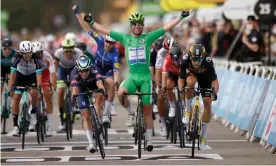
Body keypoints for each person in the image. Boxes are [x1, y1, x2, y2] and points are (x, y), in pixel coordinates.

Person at [72, 4, 192, 151]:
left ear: (142, 25)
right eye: (134, 24)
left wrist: (181, 16)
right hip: (133, 77)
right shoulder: (125, 37)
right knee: (121, 93)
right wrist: (91, 22)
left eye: (139, 24)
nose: (137, 26)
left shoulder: (148, 37)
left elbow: (166, 28)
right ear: (131, 25)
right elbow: (104, 30)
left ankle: (148, 140)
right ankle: (131, 113)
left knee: (147, 110)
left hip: (146, 78)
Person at [74, 12, 120, 117]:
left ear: (114, 44)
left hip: (108, 70)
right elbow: (87, 29)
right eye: (107, 42)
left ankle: (110, 104)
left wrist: (116, 81)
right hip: (98, 68)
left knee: (111, 83)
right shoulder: (99, 40)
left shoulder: (115, 52)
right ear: (104, 40)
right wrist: (78, 14)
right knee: (97, 90)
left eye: (111, 43)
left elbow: (116, 69)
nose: (108, 45)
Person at [178, 44, 219, 149]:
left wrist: (214, 93)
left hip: (205, 78)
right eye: (194, 59)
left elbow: (214, 82)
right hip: (192, 75)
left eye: (199, 59)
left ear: (203, 56)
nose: (196, 62)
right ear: (190, 56)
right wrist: (181, 89)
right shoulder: (184, 60)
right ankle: (187, 112)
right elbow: (181, 79)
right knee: (190, 83)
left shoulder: (208, 61)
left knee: (207, 103)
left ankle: (203, 138)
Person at [71, 55, 114, 153]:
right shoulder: (74, 72)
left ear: (89, 68)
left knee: (99, 96)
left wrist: (102, 90)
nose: (84, 73)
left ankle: (99, 119)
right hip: (81, 89)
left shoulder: (94, 69)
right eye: (81, 71)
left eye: (86, 70)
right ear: (78, 69)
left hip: (93, 85)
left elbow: (99, 82)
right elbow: (74, 89)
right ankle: (91, 143)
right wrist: (74, 97)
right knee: (85, 115)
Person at [8, 41, 42, 136]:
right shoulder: (16, 56)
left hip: (32, 76)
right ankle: (15, 125)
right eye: (25, 54)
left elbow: (39, 76)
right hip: (20, 77)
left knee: (34, 93)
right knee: (16, 97)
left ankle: (33, 111)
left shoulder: (36, 57)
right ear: (21, 52)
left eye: (29, 53)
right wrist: (11, 88)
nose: (27, 56)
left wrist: (39, 89)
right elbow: (13, 74)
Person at [54, 38, 83, 130]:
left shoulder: (79, 53)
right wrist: (54, 80)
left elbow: (81, 69)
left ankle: (74, 104)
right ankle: (62, 117)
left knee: (73, 87)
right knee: (60, 91)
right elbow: (54, 68)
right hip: (62, 70)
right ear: (63, 51)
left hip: (74, 69)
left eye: (70, 52)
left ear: (73, 50)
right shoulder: (58, 53)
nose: (68, 54)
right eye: (66, 52)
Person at [32, 41, 56, 136]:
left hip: (45, 75)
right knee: (33, 94)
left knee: (48, 95)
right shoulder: (29, 58)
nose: (37, 55)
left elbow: (53, 74)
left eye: (39, 53)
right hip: (33, 75)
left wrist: (52, 86)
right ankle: (33, 117)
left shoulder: (47, 56)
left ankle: (49, 126)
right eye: (35, 54)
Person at [154, 38, 176, 136]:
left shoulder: (180, 51)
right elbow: (158, 71)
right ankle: (162, 122)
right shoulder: (161, 53)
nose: (168, 52)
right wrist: (159, 85)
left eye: (170, 50)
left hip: (177, 72)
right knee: (160, 96)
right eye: (167, 50)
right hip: (165, 72)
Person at [161, 45, 183, 119]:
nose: (175, 61)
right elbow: (164, 76)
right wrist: (164, 88)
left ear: (181, 55)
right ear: (170, 56)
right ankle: (172, 106)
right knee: (168, 84)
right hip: (172, 75)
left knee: (184, 88)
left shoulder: (184, 59)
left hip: (182, 75)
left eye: (177, 59)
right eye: (173, 59)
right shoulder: (167, 60)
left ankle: (185, 106)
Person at [1, 38, 17, 107]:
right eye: (5, 48)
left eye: (9, 49)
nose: (7, 50)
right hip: (2, 70)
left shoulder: (15, 54)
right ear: (2, 48)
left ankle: (12, 102)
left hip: (11, 70)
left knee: (11, 87)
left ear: (11, 48)